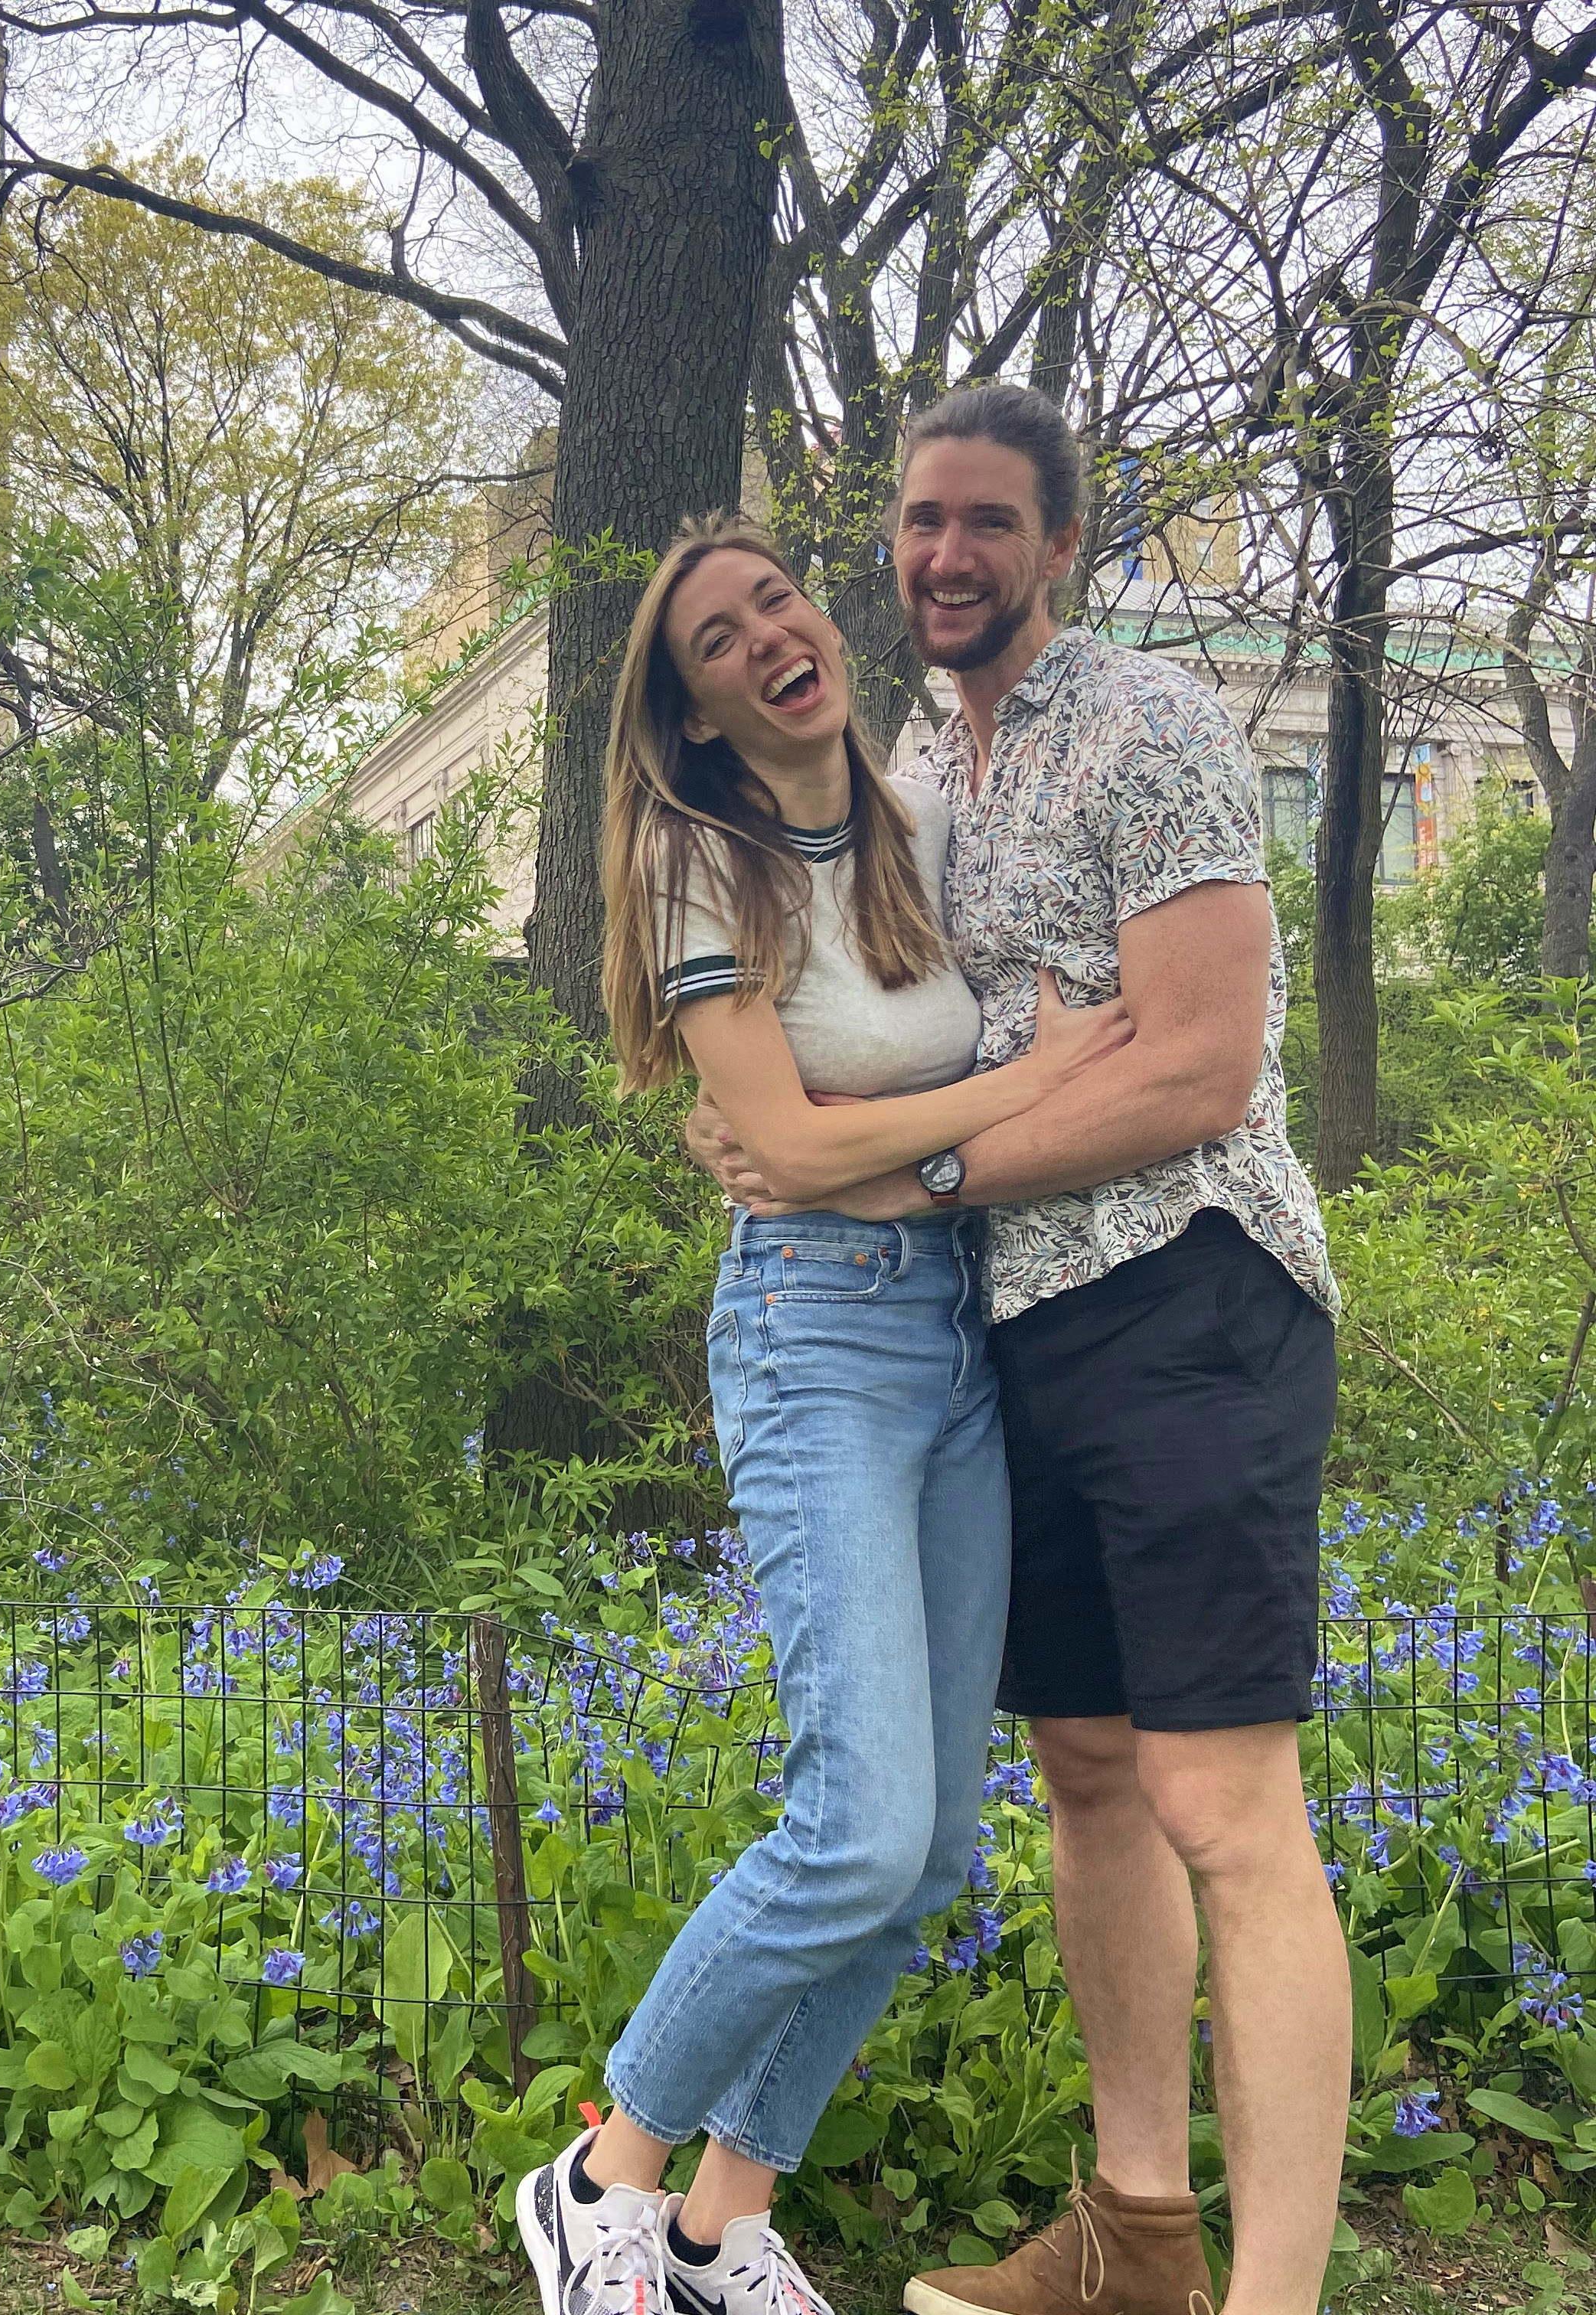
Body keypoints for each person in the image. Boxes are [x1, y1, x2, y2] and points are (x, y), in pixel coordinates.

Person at [694, 383, 1348, 2315]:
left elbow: (1200, 1067)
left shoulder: (1152, 724)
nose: (948, 555)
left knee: (1227, 1807)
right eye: (922, 520)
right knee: (1086, 1771)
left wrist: (920, 1179)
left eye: (989, 521)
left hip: (1191, 1293)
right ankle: (1139, 2242)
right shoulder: (912, 765)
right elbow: (862, 1025)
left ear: (1060, 542)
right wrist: (765, 1122)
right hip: (1011, 1335)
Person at [515, 511, 1134, 2315]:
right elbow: (780, 1149)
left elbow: (841, 1130)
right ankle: (601, 2176)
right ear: (696, 711)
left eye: (775, 601)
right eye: (715, 640)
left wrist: (897, 1150)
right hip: (815, 1341)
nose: (765, 638)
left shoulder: (921, 823)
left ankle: (720, 2227)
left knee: (928, 1855)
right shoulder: (693, 858)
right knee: (854, 1827)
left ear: (820, 623)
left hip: (956, 1336)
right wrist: (1013, 1091)